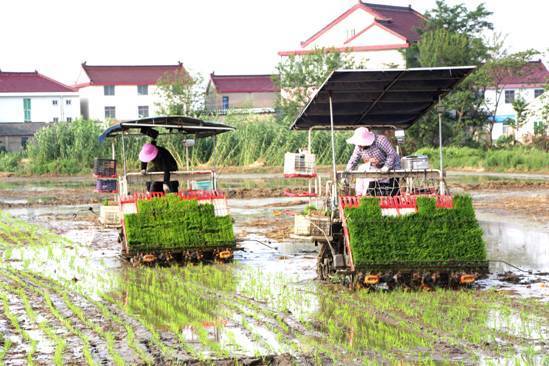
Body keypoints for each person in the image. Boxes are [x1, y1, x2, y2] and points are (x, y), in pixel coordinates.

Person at [345, 127, 401, 196]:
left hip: (392, 165)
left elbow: (391, 153)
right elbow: (354, 159)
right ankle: (366, 198)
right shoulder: (359, 147)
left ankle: (394, 202)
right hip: (376, 167)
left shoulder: (380, 140)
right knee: (372, 186)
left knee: (393, 190)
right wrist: (347, 171)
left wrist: (386, 167)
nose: (360, 146)